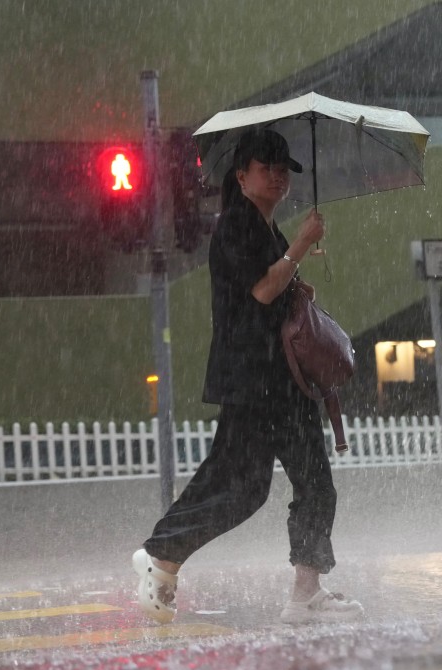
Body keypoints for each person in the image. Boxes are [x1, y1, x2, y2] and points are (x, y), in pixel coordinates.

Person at [131, 128, 363, 625]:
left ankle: (304, 593)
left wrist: (297, 280)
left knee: (307, 482)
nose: (278, 176)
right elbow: (261, 290)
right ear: (241, 176)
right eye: (267, 167)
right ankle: (162, 553)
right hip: (253, 379)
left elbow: (273, 290)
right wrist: (301, 244)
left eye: (284, 169)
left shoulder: (267, 229)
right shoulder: (237, 224)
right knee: (242, 487)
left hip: (280, 380)